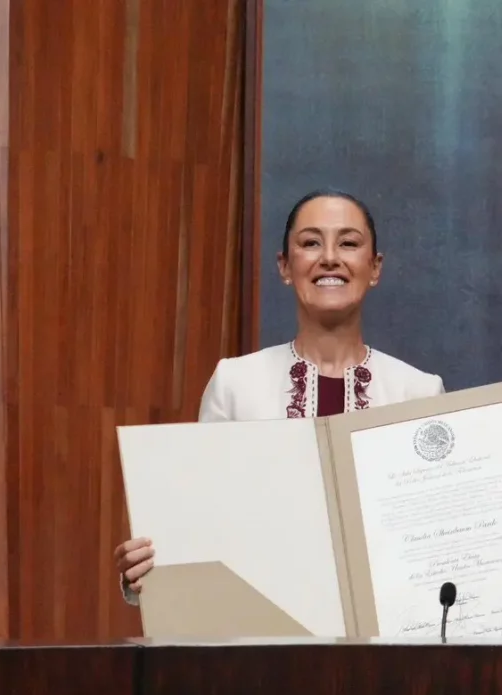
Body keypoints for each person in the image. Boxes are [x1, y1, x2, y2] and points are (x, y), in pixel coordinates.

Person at [113, 189, 445, 604]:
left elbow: (435, 545)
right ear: (285, 266)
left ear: (374, 267)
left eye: (348, 243)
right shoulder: (234, 383)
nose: (329, 258)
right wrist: (145, 574)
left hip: (383, 648)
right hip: (260, 643)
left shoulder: (418, 391)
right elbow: (198, 521)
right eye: (310, 242)